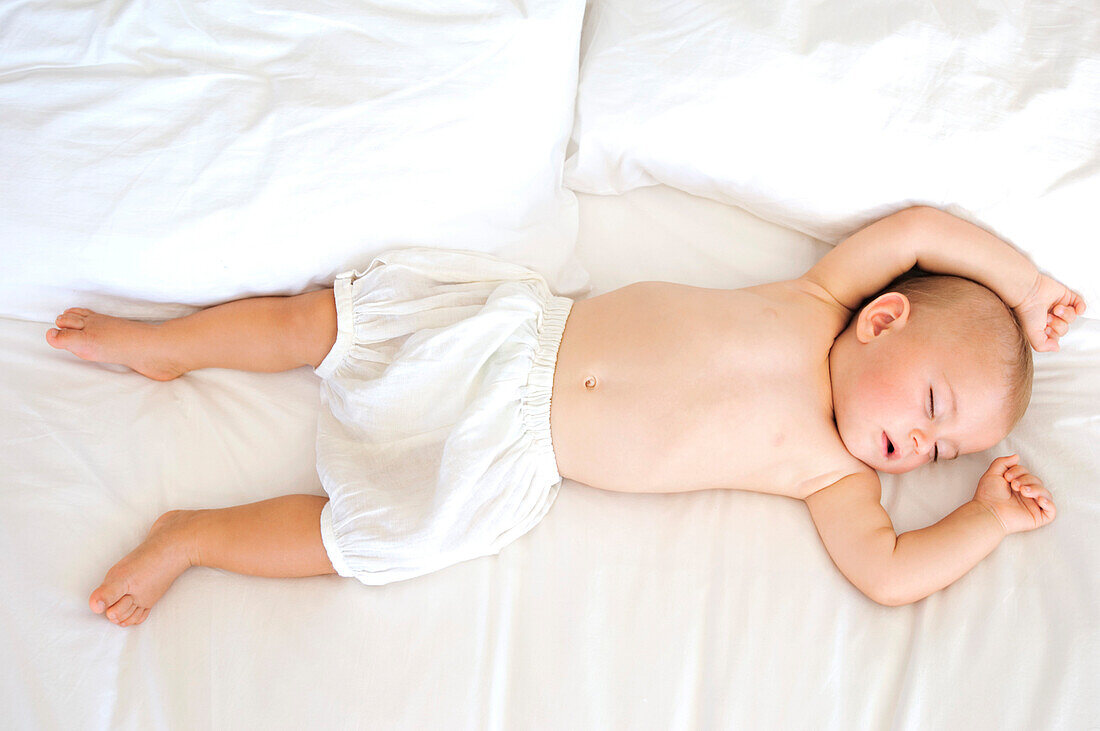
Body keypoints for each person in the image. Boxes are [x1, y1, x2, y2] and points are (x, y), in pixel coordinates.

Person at [46, 205, 1086, 627]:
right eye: (932, 408)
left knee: (360, 538)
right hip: (512, 336)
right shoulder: (817, 297)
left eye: (942, 449)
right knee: (322, 322)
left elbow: (885, 571)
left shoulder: (830, 475)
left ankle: (193, 538)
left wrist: (982, 519)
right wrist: (1025, 278)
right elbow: (913, 224)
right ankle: (167, 344)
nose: (920, 448)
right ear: (884, 318)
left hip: (518, 453)